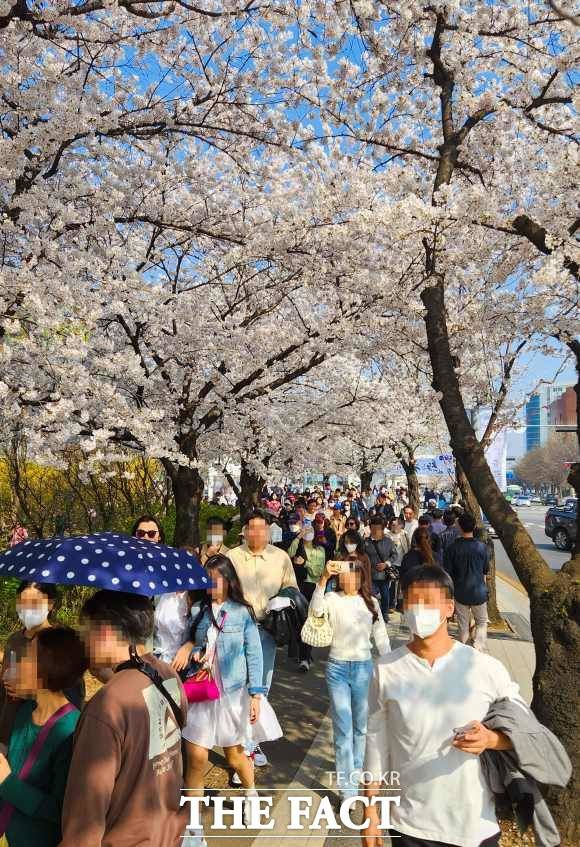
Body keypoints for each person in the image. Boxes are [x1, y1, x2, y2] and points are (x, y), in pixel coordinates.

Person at [363, 564, 524, 847]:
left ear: (450, 608)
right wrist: (370, 812)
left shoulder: (485, 668)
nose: (419, 610)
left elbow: (526, 732)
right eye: (411, 602)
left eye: (428, 601)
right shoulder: (385, 669)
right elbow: (376, 742)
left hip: (475, 827)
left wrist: (491, 739)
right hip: (409, 826)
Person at [60, 591, 188, 847]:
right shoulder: (167, 674)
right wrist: (115, 679)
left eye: (86, 632)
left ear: (105, 633)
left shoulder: (106, 707)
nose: (84, 642)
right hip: (169, 831)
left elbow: (85, 818)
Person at [175, 556, 281, 840]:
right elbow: (191, 641)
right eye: (207, 578)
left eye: (217, 578)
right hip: (202, 692)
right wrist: (194, 651)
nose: (212, 584)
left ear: (228, 580)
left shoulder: (241, 612)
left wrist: (256, 694)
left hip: (232, 695)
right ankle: (193, 823)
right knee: (196, 759)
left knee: (235, 757)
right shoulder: (198, 609)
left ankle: (250, 792)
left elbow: (254, 654)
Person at [310, 559, 390, 801]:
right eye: (343, 572)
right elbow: (315, 611)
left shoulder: (371, 602)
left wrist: (390, 666)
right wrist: (323, 578)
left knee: (361, 728)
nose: (348, 577)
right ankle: (348, 789)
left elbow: (381, 636)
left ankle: (355, 772)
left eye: (353, 572)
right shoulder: (331, 598)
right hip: (337, 668)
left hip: (364, 668)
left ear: (361, 576)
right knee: (343, 729)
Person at [0, 627, 87, 847]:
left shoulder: (71, 731)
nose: (19, 663)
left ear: (49, 668)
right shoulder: (25, 711)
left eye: (28, 657)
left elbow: (60, 810)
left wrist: (7, 783)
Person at [228, 510, 297, 767]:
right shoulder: (232, 557)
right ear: (245, 531)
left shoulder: (280, 557)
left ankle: (250, 744)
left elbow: (292, 588)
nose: (257, 533)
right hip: (236, 630)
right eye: (252, 528)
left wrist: (283, 600)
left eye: (262, 528)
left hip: (266, 630)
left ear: (269, 531)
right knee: (236, 684)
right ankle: (237, 743)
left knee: (260, 688)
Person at [0, 583, 84, 745]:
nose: (27, 609)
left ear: (50, 604)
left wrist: (31, 692)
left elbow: (72, 696)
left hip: (39, 739)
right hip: (8, 732)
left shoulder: (60, 645)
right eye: (22, 603)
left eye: (34, 603)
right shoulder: (14, 640)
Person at [444, 513, 490, 651]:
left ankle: (463, 649)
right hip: (479, 592)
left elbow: (447, 572)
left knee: (463, 624)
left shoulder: (452, 548)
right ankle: (478, 648)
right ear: (474, 527)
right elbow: (485, 570)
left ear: (459, 527)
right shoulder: (482, 547)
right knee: (481, 621)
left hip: (460, 591)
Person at [288, 525, 326, 672]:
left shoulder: (319, 550)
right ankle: (300, 652)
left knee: (307, 621)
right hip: (297, 587)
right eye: (305, 530)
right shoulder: (298, 546)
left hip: (311, 587)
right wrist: (298, 537)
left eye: (310, 530)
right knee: (297, 621)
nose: (308, 533)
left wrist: (305, 563)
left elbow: (318, 572)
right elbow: (289, 553)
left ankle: (305, 657)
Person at [364, 516, 396, 622]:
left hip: (383, 575)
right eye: (373, 528)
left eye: (378, 529)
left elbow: (394, 555)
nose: (375, 531)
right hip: (370, 574)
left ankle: (384, 613)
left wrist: (386, 564)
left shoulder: (388, 541)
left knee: (385, 595)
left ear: (382, 529)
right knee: (370, 595)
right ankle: (372, 613)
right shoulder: (366, 542)